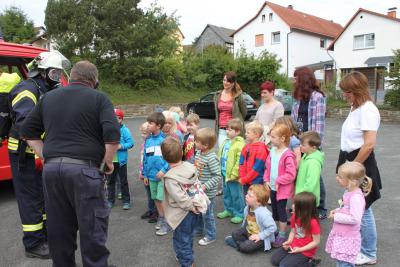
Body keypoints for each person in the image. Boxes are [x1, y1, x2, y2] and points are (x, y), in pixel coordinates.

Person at [20, 60, 120, 267]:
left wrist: (45, 156)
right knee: (92, 228)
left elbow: (27, 131)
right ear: (94, 80)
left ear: (71, 76)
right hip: (85, 171)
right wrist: (107, 163)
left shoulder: (48, 97)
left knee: (59, 229)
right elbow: (112, 134)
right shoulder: (100, 98)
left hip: (52, 172)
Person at [7, 50, 70, 259]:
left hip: (38, 153)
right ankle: (33, 244)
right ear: (41, 72)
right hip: (24, 155)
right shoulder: (27, 90)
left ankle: (43, 235)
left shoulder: (44, 90)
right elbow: (27, 126)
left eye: (58, 74)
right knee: (30, 197)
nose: (57, 78)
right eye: (54, 73)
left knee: (42, 195)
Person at [337, 71, 382, 265]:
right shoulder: (356, 108)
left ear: (357, 90)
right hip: (351, 160)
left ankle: (369, 253)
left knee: (363, 209)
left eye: (347, 91)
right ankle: (364, 248)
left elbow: (369, 144)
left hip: (360, 164)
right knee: (357, 207)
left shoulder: (368, 110)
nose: (344, 95)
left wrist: (352, 166)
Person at [161, 137, 208, 267]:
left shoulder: (170, 177)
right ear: (181, 153)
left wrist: (190, 206)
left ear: (164, 158)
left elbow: (180, 197)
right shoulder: (189, 166)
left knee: (183, 239)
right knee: (186, 237)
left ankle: (187, 262)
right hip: (195, 208)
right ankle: (184, 256)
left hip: (182, 213)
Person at [291, 66, 327, 219]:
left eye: (296, 78)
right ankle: (302, 204)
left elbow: (318, 124)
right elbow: (294, 122)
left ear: (303, 79)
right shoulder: (299, 98)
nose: (293, 81)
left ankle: (321, 207)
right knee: (302, 174)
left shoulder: (317, 97)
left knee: (314, 176)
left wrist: (311, 144)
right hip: (298, 141)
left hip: (310, 143)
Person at [326, 162, 373, 267]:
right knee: (341, 261)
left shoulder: (356, 197)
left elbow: (355, 219)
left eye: (340, 177)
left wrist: (336, 217)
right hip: (343, 235)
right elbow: (347, 208)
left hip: (348, 237)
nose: (337, 178)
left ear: (353, 181)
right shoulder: (348, 191)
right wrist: (337, 210)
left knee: (345, 263)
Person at [263, 124, 297, 247]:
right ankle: (276, 230)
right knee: (275, 211)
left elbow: (291, 174)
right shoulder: (272, 150)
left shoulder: (288, 154)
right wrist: (266, 180)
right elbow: (267, 168)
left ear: (282, 138)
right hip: (272, 187)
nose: (270, 139)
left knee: (281, 211)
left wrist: (278, 181)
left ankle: (282, 235)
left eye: (273, 137)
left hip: (281, 189)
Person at [271, 192, 321, 267]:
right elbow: (293, 231)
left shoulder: (313, 222)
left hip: (305, 251)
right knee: (274, 260)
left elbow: (316, 242)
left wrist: (300, 250)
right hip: (294, 245)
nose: (292, 206)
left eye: (296, 205)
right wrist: (289, 241)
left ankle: (310, 263)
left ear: (304, 209)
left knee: (283, 265)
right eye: (294, 203)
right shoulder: (295, 216)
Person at [142, 112, 172, 236]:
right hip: (151, 176)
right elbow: (145, 159)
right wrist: (145, 174)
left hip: (162, 177)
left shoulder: (165, 141)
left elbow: (171, 159)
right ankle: (161, 217)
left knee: (161, 199)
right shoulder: (148, 141)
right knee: (155, 198)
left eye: (150, 123)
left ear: (158, 126)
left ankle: (167, 222)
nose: (147, 125)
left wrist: (163, 171)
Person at [224, 184, 276, 253]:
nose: (246, 196)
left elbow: (273, 227)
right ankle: (243, 243)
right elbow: (245, 222)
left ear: (258, 201)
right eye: (247, 194)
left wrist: (260, 236)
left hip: (260, 237)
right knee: (235, 233)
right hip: (249, 232)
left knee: (246, 247)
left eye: (250, 196)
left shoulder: (264, 213)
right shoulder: (247, 207)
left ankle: (239, 245)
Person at [194, 127, 221, 246]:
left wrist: (205, 186)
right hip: (198, 191)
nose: (195, 143)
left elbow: (217, 176)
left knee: (207, 215)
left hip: (208, 194)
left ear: (205, 145)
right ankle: (199, 230)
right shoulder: (199, 153)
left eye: (197, 141)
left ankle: (211, 235)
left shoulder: (211, 158)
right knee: (198, 211)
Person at [217, 118, 246, 224]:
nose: (227, 131)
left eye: (230, 130)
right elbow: (220, 155)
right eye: (227, 129)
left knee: (236, 195)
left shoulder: (240, 144)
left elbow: (239, 161)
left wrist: (234, 173)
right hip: (225, 173)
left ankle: (239, 213)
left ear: (237, 131)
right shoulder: (226, 141)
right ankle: (228, 210)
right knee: (227, 193)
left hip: (234, 176)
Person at [106, 108, 134, 210]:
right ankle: (110, 200)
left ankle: (126, 201)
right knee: (110, 182)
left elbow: (131, 143)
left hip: (121, 161)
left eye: (116, 118)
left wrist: (120, 146)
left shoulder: (125, 130)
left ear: (121, 119)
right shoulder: (107, 129)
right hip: (109, 160)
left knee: (123, 181)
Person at [214, 71, 247, 147]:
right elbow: (217, 113)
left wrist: (238, 122)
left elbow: (244, 112)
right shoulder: (217, 95)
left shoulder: (238, 95)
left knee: (234, 154)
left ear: (233, 83)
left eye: (228, 81)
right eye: (224, 80)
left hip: (234, 130)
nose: (225, 82)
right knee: (222, 152)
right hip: (222, 129)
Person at [295, 131, 324, 209]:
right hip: (303, 197)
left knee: (306, 220)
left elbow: (310, 183)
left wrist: (300, 198)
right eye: (300, 144)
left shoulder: (314, 163)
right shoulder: (306, 154)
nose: (300, 146)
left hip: (307, 200)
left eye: (303, 145)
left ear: (313, 147)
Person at [239, 120, 269, 196]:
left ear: (256, 134)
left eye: (248, 133)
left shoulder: (261, 150)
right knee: (247, 201)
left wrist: (244, 179)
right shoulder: (246, 147)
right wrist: (242, 177)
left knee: (255, 203)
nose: (245, 134)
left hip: (256, 183)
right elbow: (241, 163)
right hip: (246, 181)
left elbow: (257, 169)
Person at [139, 122, 158, 223]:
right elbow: (143, 159)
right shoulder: (144, 143)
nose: (143, 135)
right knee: (148, 193)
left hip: (152, 173)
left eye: (145, 133)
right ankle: (151, 210)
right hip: (144, 171)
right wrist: (141, 172)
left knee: (153, 193)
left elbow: (153, 160)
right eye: (142, 132)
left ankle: (156, 212)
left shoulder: (151, 142)